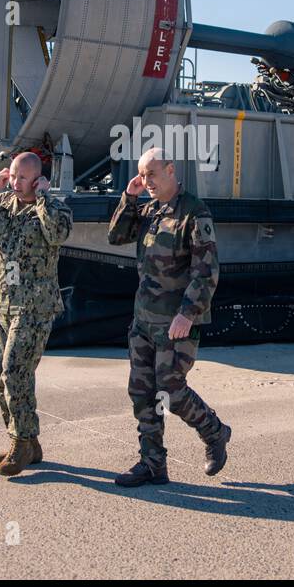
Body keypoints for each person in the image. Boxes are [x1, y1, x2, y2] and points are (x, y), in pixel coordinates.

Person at [106, 147, 230, 486]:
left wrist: (187, 314)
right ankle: (152, 464)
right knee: (142, 392)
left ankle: (214, 432)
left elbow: (207, 272)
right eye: (142, 176)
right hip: (144, 321)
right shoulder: (148, 209)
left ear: (171, 170)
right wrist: (128, 198)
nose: (146, 182)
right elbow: (116, 236)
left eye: (152, 175)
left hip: (175, 324)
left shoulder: (194, 212)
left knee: (171, 392)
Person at [0, 151, 71, 476]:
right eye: (12, 175)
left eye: (22, 177)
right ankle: (29, 442)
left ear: (37, 179)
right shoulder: (2, 205)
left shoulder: (51, 208)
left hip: (34, 306)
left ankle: (20, 443)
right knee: (4, 378)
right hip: (3, 302)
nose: (16, 182)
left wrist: (44, 197)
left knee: (14, 371)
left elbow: (58, 234)